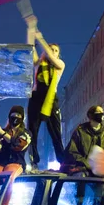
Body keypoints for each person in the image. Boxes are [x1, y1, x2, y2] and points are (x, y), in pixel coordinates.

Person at [24, 15, 65, 170]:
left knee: (55, 132)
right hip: (36, 99)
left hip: (51, 100)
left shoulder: (59, 64)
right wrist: (31, 29)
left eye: (56, 50)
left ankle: (62, 161)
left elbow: (50, 56)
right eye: (51, 49)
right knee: (32, 131)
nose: (52, 52)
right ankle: (34, 161)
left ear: (58, 54)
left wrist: (41, 39)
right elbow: (30, 48)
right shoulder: (38, 63)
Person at [60, 106, 104, 177]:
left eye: (102, 113)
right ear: (91, 116)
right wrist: (87, 163)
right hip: (82, 170)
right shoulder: (80, 132)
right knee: (80, 178)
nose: (101, 115)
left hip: (99, 172)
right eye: (98, 113)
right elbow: (72, 151)